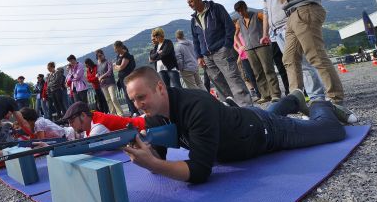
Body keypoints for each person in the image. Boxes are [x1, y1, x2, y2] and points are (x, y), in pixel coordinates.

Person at [121, 67, 349, 184]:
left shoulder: (195, 105)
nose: (138, 105)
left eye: (142, 97)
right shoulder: (153, 114)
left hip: (265, 133)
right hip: (240, 119)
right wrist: (145, 150)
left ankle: (320, 103)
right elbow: (158, 158)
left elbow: (200, 171)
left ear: (160, 88)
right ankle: (292, 100)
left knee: (331, 131)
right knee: (259, 113)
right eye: (133, 100)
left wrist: (152, 163)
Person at [265, 0, 345, 104]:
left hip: (305, 10)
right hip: (292, 15)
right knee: (289, 59)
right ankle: (297, 101)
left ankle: (336, 100)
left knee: (316, 56)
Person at [252, 0, 325, 101]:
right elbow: (266, 14)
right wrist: (265, 33)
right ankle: (298, 97)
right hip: (276, 31)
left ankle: (317, 97)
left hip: (289, 24)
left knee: (303, 63)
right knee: (290, 64)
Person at [187, 0, 253, 107]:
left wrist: (227, 46)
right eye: (188, 3)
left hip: (221, 51)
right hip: (207, 57)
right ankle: (231, 109)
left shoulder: (216, 8)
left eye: (191, 2)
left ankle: (248, 108)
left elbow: (229, 27)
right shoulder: (193, 20)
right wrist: (199, 56)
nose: (189, 5)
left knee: (233, 78)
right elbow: (195, 40)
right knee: (219, 84)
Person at [233, 0, 281, 103]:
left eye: (241, 9)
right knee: (257, 72)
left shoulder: (257, 15)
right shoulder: (238, 22)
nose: (240, 12)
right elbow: (235, 35)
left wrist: (266, 35)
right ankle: (265, 95)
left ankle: (275, 94)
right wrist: (241, 46)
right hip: (249, 49)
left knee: (268, 69)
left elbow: (268, 22)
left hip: (262, 46)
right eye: (238, 11)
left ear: (245, 7)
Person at [61, 101, 148, 138]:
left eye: (72, 121)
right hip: (141, 121)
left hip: (147, 125)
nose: (70, 125)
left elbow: (87, 149)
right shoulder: (93, 118)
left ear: (83, 115)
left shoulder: (98, 126)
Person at [113, 41, 139, 115]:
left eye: (115, 48)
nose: (115, 50)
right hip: (121, 78)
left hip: (127, 77)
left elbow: (121, 67)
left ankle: (135, 111)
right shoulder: (118, 56)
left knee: (129, 94)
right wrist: (117, 67)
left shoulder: (126, 55)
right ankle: (132, 111)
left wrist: (117, 67)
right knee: (126, 95)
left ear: (120, 47)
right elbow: (117, 67)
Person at [96, 49, 124, 116]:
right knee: (108, 100)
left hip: (110, 82)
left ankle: (120, 113)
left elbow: (109, 71)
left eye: (101, 55)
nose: (100, 57)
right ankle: (113, 114)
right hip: (103, 84)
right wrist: (98, 76)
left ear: (103, 55)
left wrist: (101, 77)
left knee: (113, 98)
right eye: (98, 56)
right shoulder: (98, 65)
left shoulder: (108, 62)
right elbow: (98, 74)